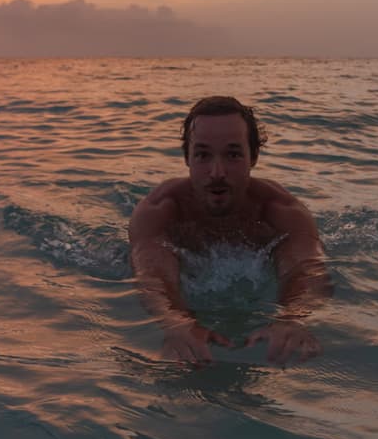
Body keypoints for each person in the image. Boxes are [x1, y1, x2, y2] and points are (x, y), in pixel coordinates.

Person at [129, 96, 331, 366]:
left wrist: (292, 319)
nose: (217, 172)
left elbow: (307, 271)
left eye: (233, 154)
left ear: (253, 157)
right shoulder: (160, 211)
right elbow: (152, 277)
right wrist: (175, 323)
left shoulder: (281, 211)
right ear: (187, 158)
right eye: (202, 155)